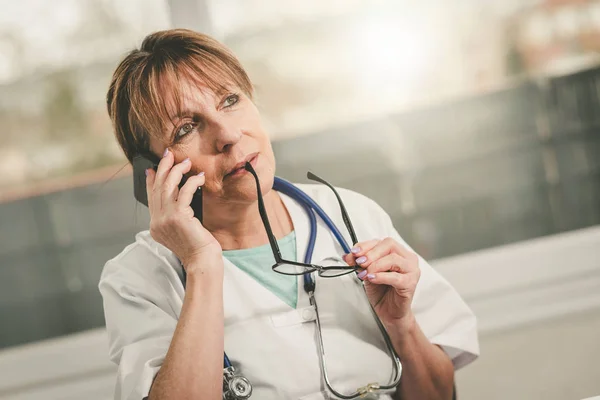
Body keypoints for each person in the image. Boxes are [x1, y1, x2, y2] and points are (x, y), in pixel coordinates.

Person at [99, 28, 479, 400]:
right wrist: (201, 265)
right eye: (186, 128)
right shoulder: (138, 278)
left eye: (230, 100)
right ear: (150, 171)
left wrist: (402, 326)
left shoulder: (351, 215)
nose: (228, 134)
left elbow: (439, 394)